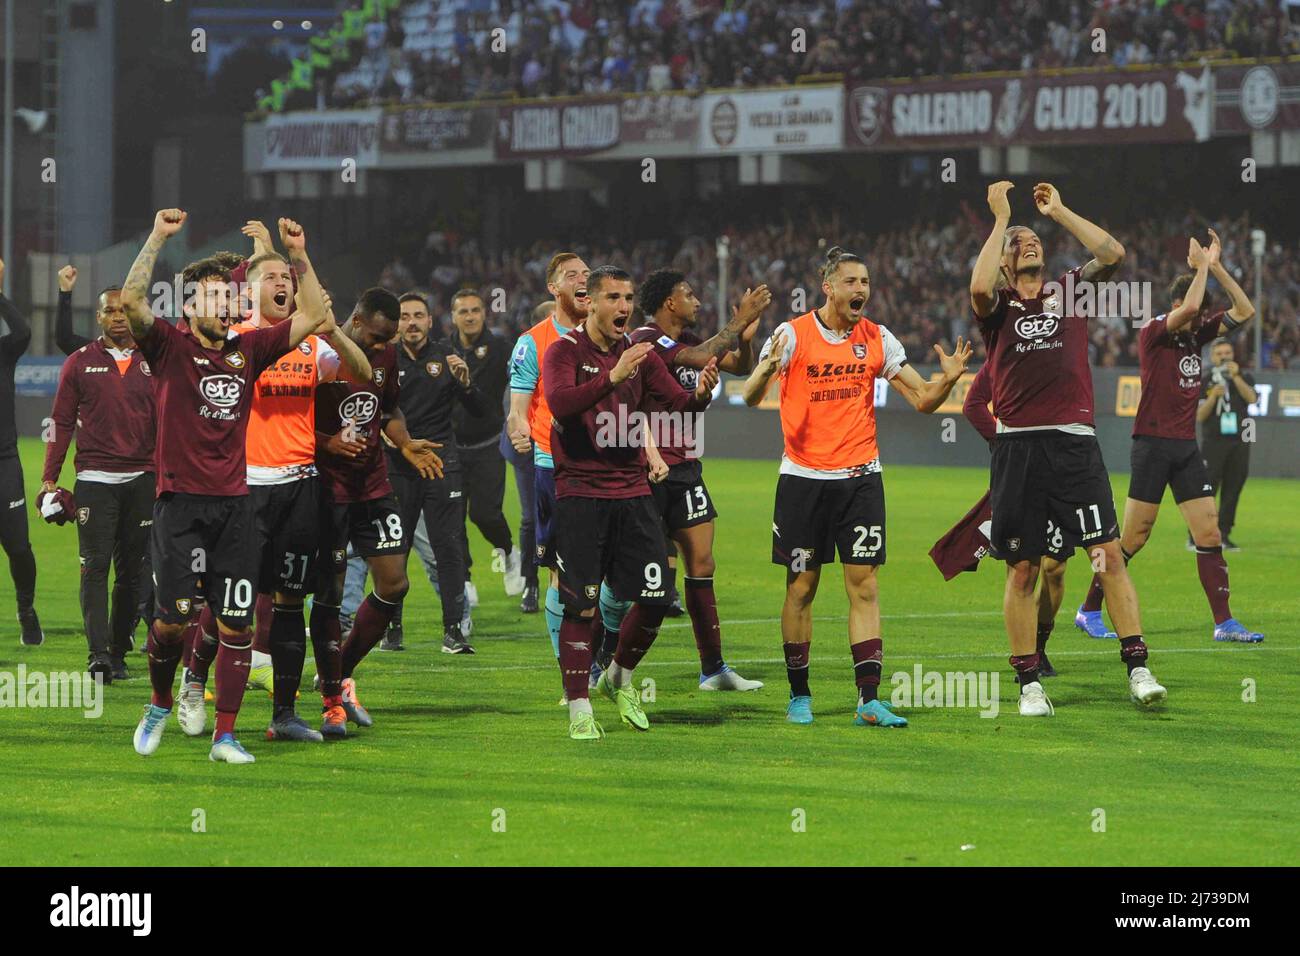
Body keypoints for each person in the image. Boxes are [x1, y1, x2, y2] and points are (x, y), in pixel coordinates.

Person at [122, 209, 332, 763]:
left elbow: (314, 314)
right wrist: (158, 237)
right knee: (171, 622)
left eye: (226, 296)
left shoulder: (249, 351)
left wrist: (298, 254)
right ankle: (161, 702)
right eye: (213, 297)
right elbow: (132, 303)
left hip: (235, 506)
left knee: (237, 624)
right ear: (190, 307)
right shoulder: (167, 347)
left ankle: (225, 735)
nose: (226, 304)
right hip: (179, 506)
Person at [743, 245, 970, 728]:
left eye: (866, 282)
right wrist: (766, 366)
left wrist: (947, 381)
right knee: (802, 587)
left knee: (864, 586)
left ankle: (868, 698)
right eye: (852, 282)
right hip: (804, 481)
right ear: (828, 288)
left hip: (861, 480)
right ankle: (799, 696)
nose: (861, 290)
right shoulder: (792, 334)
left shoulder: (877, 338)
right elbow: (749, 396)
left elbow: (924, 401)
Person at [969, 180, 1167, 716]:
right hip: (1018, 448)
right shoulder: (998, 305)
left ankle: (1139, 667)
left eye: (1033, 239)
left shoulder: (1070, 291)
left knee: (1105, 556)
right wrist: (999, 223)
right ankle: (1029, 683)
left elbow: (1112, 253)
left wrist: (1057, 213)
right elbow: (979, 288)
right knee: (1023, 570)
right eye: (1018, 243)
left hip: (1075, 444)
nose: (1027, 242)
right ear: (1005, 260)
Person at [187, 220, 374, 744]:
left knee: (293, 601)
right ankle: (191, 682)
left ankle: (285, 715)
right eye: (271, 276)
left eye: (287, 278)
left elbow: (361, 374)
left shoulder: (311, 345)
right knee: (231, 602)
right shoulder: (240, 340)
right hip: (244, 489)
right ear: (250, 289)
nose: (282, 283)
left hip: (299, 489)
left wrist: (329, 325)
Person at [544, 265, 717, 740]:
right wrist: (612, 377)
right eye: (614, 298)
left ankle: (617, 675)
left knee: (658, 595)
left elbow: (677, 405)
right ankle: (579, 705)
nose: (624, 307)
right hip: (580, 492)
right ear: (591, 302)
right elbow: (559, 404)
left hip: (633, 491)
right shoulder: (564, 351)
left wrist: (699, 397)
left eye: (628, 298)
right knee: (581, 606)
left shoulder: (641, 355)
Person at [1075, 231, 1263, 643]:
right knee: (1132, 539)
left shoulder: (1196, 334)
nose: (1199, 321)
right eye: (1193, 314)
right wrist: (1199, 270)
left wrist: (1215, 267)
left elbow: (1245, 310)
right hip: (1151, 445)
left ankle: (1224, 623)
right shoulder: (1155, 330)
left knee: (1209, 534)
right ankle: (1088, 609)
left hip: (1185, 448)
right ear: (1176, 306)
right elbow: (1194, 304)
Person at [627, 269, 769, 691]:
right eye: (688, 294)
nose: (697, 300)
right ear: (669, 303)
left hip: (686, 470)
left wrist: (744, 338)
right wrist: (737, 322)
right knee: (643, 581)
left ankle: (714, 670)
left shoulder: (690, 344)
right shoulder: (645, 340)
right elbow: (702, 354)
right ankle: (604, 664)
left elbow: (738, 366)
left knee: (703, 564)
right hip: (648, 470)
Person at [311, 288, 441, 727]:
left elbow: (388, 410)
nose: (384, 347)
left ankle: (341, 673)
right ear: (357, 320)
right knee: (325, 595)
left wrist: (403, 444)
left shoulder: (384, 359)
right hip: (326, 488)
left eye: (390, 339)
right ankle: (322, 692)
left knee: (394, 582)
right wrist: (326, 443)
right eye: (378, 337)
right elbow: (284, 419)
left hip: (372, 483)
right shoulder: (319, 352)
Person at [42, 274, 155, 682]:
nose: (118, 317)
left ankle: (119, 651)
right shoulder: (80, 361)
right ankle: (97, 655)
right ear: (100, 317)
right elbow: (59, 423)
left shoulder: (155, 359)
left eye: (124, 310)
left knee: (133, 573)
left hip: (144, 478)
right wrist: (49, 480)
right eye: (110, 310)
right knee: (95, 567)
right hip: (94, 480)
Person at [928, 362, 1069, 676]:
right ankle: (1026, 654)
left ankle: (1040, 645)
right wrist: (1003, 442)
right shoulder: (1004, 355)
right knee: (1021, 568)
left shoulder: (1065, 347)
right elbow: (973, 404)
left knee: (1055, 567)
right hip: (1019, 474)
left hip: (1061, 468)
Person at [507, 254, 589, 682]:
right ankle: (572, 671)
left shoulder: (612, 337)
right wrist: (520, 430)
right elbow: (517, 411)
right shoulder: (532, 342)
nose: (583, 280)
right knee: (563, 574)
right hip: (553, 468)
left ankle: (600, 661)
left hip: (609, 468)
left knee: (613, 574)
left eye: (586, 274)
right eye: (571, 275)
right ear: (553, 289)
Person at [386, 291, 481, 654]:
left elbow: (480, 411)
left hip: (443, 464)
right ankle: (392, 628)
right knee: (396, 549)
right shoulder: (384, 360)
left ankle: (453, 632)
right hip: (399, 465)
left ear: (430, 321)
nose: (411, 322)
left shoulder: (447, 358)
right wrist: (399, 447)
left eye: (418, 316)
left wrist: (467, 383)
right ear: (397, 323)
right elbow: (376, 412)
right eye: (405, 316)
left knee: (449, 547)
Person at [447, 288, 525, 603]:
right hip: (450, 447)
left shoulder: (501, 349)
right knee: (452, 519)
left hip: (488, 444)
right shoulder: (442, 350)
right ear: (452, 316)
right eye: (463, 311)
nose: (469, 316)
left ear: (484, 314)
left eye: (475, 310)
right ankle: (463, 580)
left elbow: (525, 378)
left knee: (484, 514)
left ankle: (507, 551)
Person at [0, 257, 42, 647]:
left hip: (4, 463)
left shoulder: (4, 351)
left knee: (18, 546)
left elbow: (23, 329)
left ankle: (26, 609)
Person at [1199, 337, 1257, 551]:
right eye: (1219, 354)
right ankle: (1197, 534)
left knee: (1233, 489)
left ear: (1233, 355)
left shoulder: (1244, 376)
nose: (1224, 357)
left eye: (1227, 353)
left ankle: (1224, 534)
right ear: (1213, 357)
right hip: (1213, 442)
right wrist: (1213, 397)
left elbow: (1252, 399)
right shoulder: (1205, 380)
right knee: (1207, 490)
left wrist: (1237, 378)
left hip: (1240, 440)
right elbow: (1200, 415)